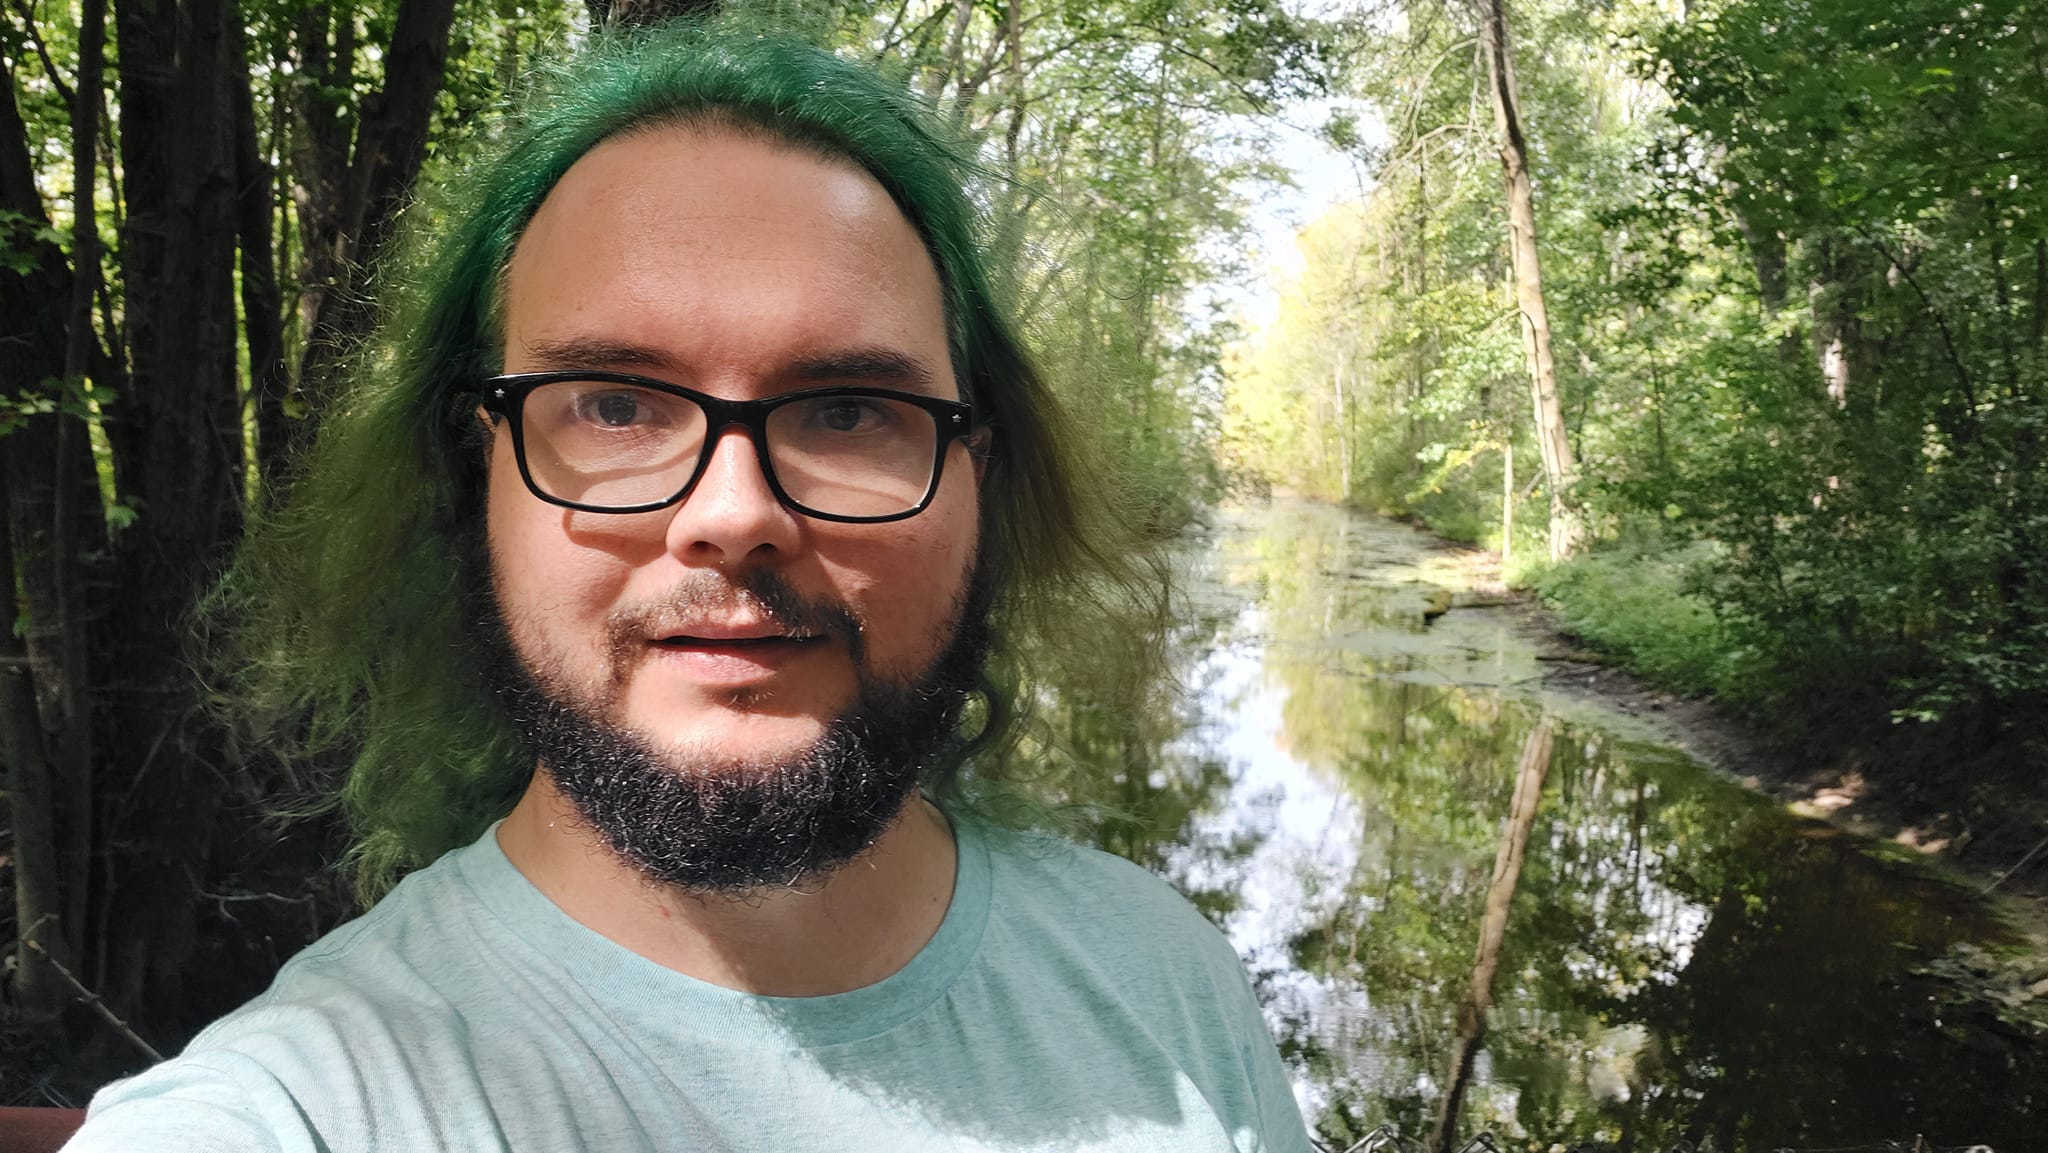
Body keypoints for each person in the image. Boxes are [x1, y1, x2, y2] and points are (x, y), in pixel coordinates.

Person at [64, 18, 1312, 1153]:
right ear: (470, 483)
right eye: (611, 403)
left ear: (981, 482)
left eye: (846, 408)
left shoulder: (1162, 980)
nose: (733, 514)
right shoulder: (312, 1098)